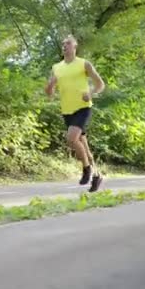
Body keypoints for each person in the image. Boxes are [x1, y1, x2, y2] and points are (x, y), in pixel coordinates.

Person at [45, 35, 105, 192]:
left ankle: (86, 169)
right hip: (67, 111)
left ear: (75, 46)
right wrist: (50, 86)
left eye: (68, 43)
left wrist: (91, 93)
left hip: (83, 107)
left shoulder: (84, 64)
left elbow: (100, 84)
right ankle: (97, 176)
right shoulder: (56, 68)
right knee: (83, 145)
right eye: (63, 44)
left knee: (71, 139)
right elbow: (49, 93)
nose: (64, 46)